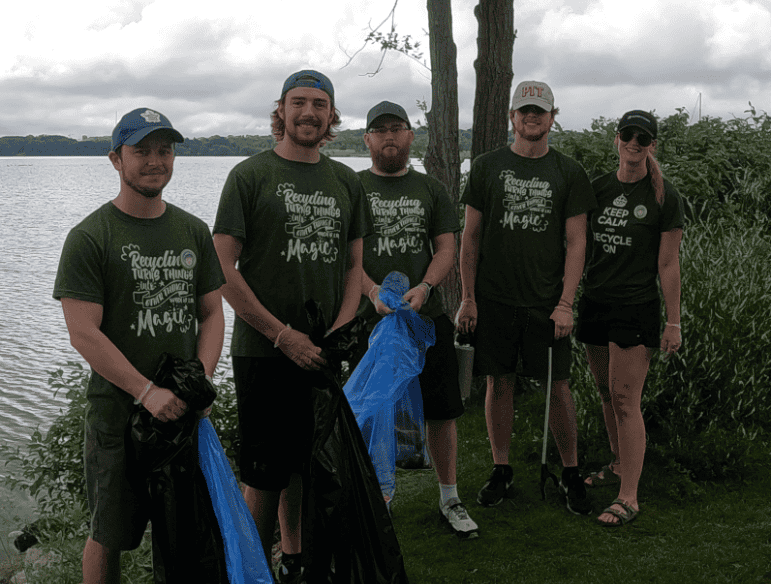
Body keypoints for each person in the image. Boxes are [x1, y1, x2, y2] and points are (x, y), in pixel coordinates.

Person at [53, 108, 226, 584]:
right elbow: (83, 332)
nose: (155, 161)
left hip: (182, 414)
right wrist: (146, 392)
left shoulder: (192, 230)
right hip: (118, 415)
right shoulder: (90, 237)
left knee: (186, 534)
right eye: (142, 151)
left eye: (165, 150)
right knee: (109, 535)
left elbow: (212, 313)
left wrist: (200, 384)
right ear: (116, 159)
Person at [212, 70, 372, 583]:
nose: (308, 112)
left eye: (319, 104)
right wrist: (281, 335)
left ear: (332, 115)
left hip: (322, 351)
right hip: (263, 351)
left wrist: (341, 330)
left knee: (309, 462)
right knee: (263, 475)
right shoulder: (249, 176)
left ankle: (296, 560)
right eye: (298, 102)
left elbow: (353, 267)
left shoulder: (346, 180)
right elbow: (222, 268)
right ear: (280, 110)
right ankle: (252, 570)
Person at [456, 80, 596, 514]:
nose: (531, 117)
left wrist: (566, 302)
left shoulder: (569, 172)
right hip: (494, 300)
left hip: (546, 303)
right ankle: (501, 469)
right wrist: (468, 297)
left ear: (553, 117)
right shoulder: (485, 166)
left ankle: (570, 472)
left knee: (559, 386)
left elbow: (577, 243)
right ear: (512, 118)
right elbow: (470, 237)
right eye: (524, 111)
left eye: (540, 111)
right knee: (500, 382)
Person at [351, 101, 479, 538]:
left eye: (398, 128)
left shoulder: (431, 189)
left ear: (410, 136)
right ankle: (374, 499)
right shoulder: (351, 187)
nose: (389, 137)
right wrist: (370, 292)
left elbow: (447, 247)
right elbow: (345, 256)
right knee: (369, 411)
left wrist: (425, 287)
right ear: (366, 139)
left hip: (427, 321)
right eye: (380, 130)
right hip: (368, 322)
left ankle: (450, 497)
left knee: (442, 411)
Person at [577, 110, 684, 526]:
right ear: (616, 138)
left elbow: (669, 264)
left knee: (625, 400)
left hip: (636, 307)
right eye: (628, 135)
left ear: (652, 145)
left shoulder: (664, 197)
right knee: (605, 393)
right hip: (595, 303)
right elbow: (579, 246)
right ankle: (620, 464)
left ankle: (629, 497)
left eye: (644, 137)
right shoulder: (597, 188)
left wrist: (672, 323)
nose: (635, 143)